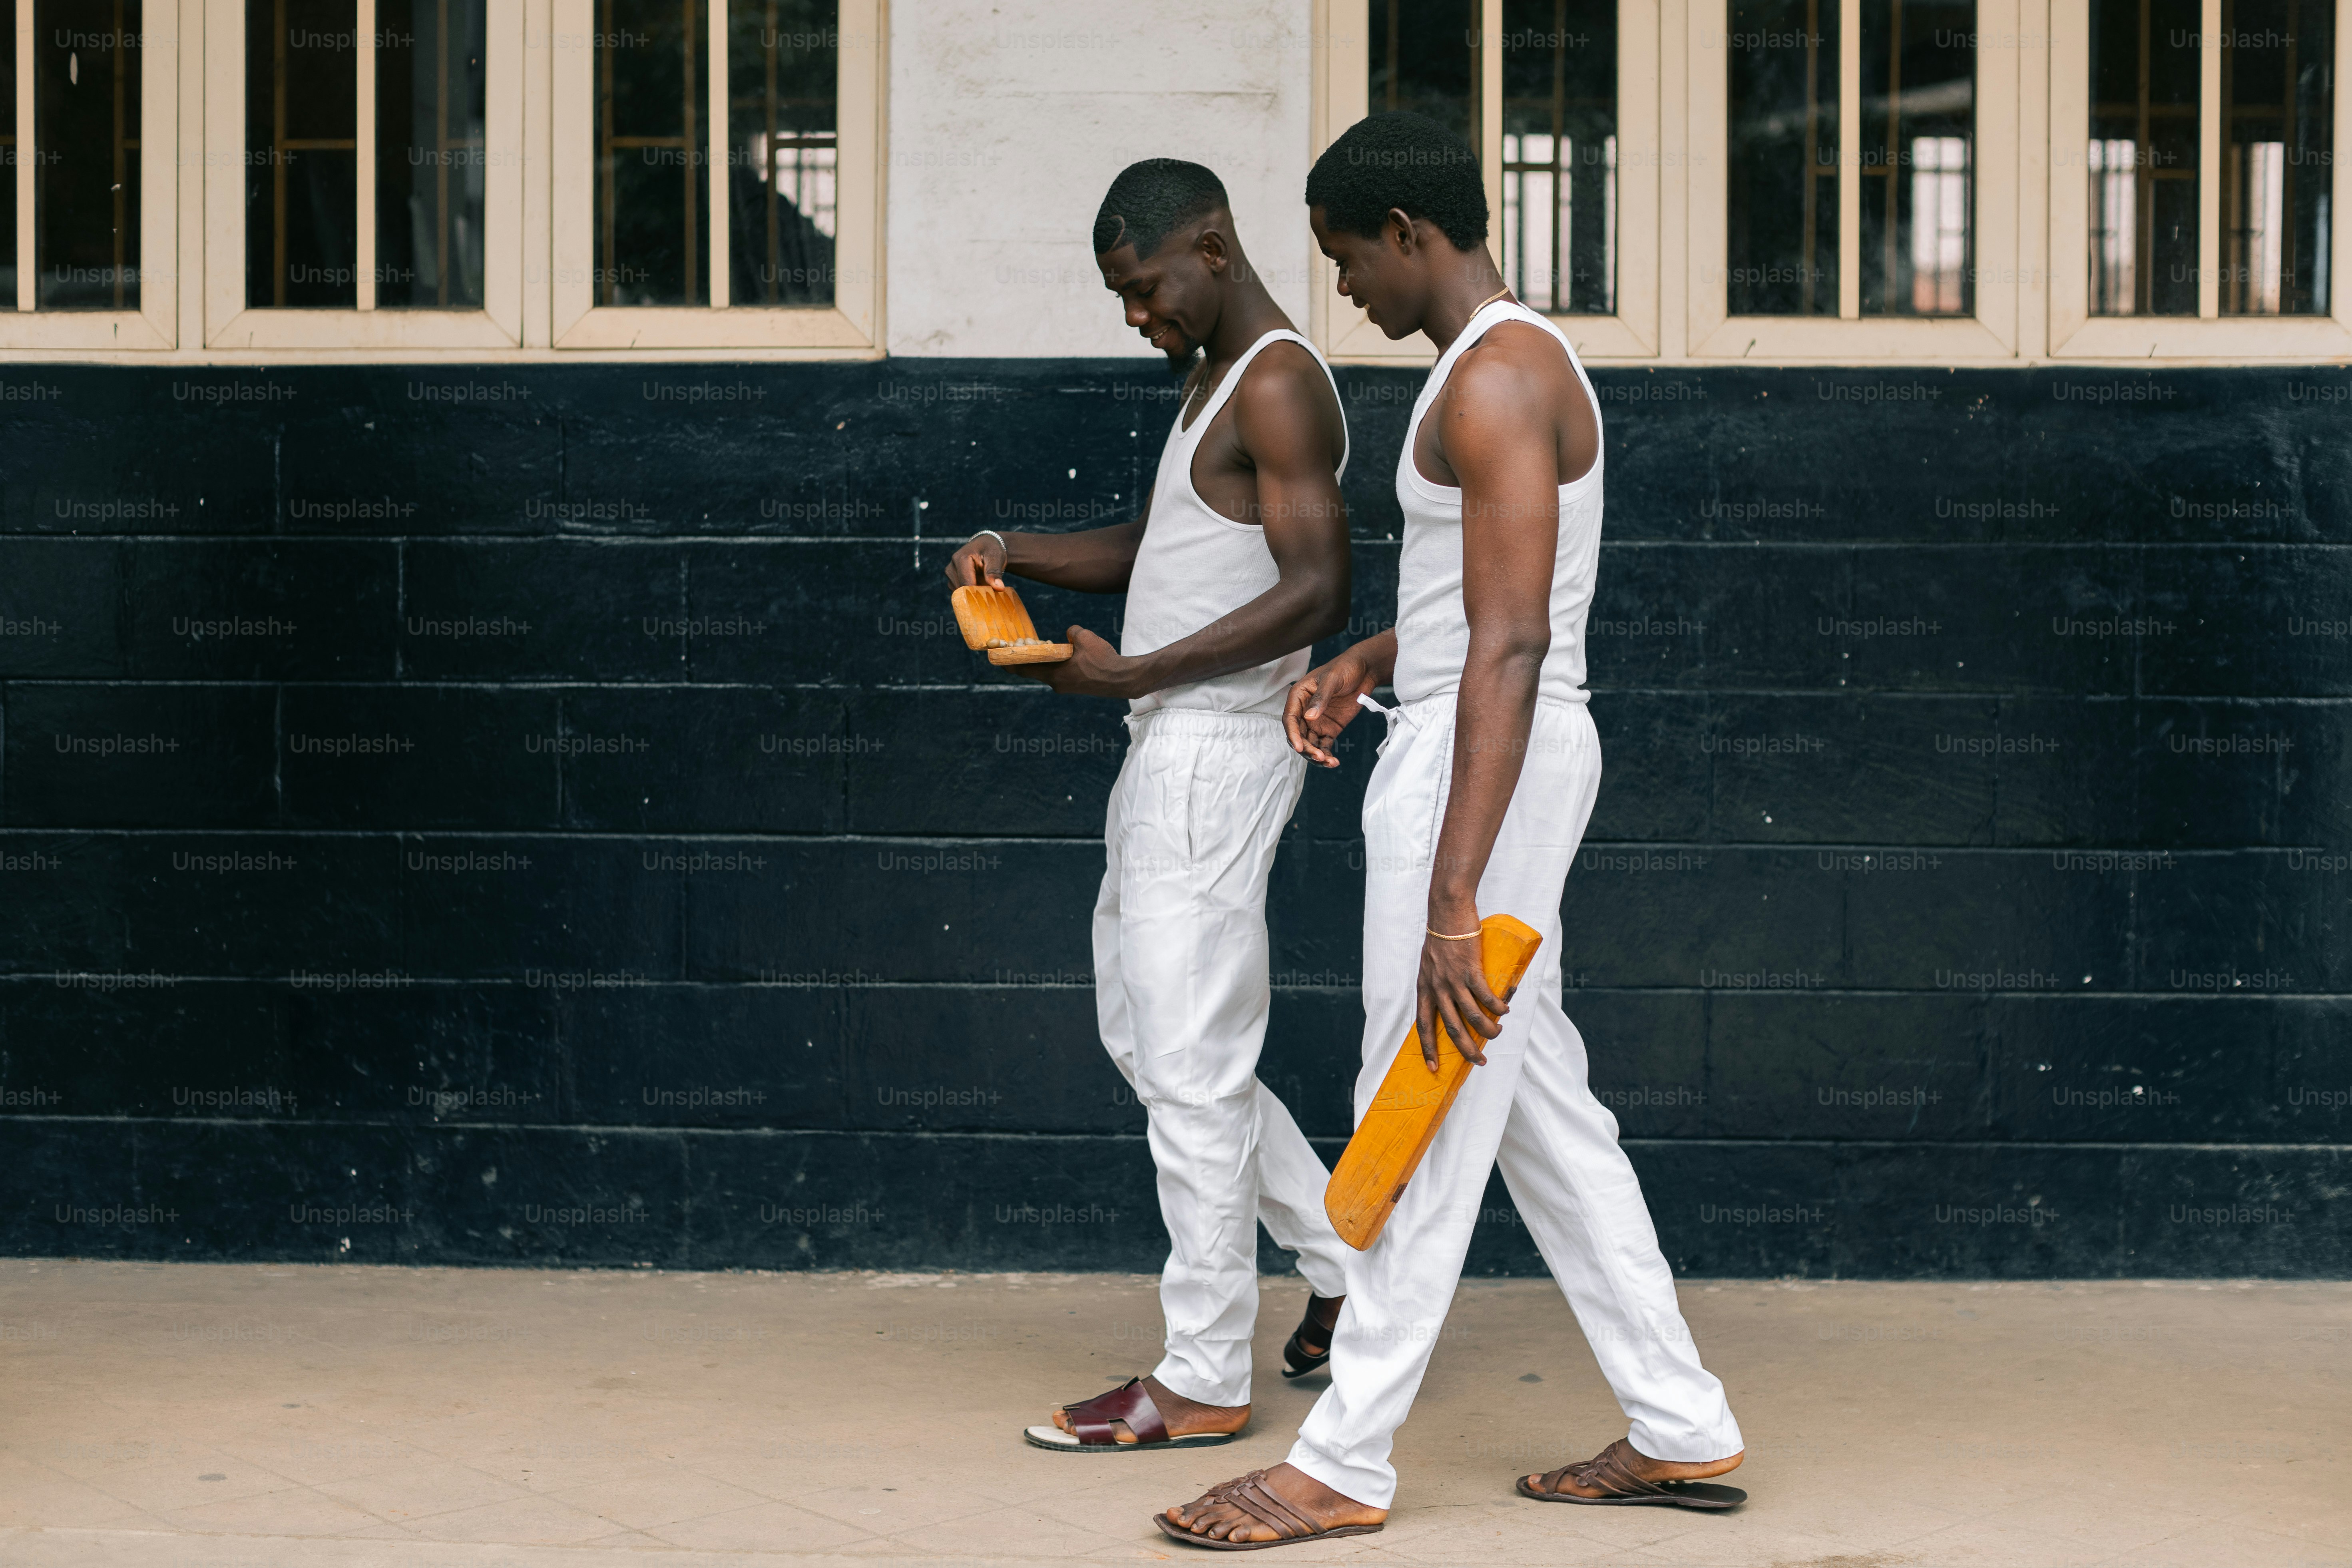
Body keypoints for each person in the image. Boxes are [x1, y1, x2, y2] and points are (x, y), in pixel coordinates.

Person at [1155, 113, 1747, 1549]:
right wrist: (1374, 657)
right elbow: (1473, 611)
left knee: (1416, 1100)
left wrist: (1450, 895)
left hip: (1485, 771)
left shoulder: (1494, 381)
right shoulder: (1497, 369)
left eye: (1353, 257)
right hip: (1470, 737)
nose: (1346, 288)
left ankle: (1346, 1456)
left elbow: (1514, 646)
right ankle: (1681, 1422)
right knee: (1538, 1101)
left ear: (1413, 233)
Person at [943, 159, 1356, 1454]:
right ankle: (1352, 1261)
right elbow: (1163, 544)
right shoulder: (1215, 383)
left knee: (1190, 1064)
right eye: (1123, 296)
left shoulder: (1281, 379)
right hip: (1168, 738)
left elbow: (1318, 592)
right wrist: (1018, 551)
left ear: (1214, 247)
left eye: (1145, 288)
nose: (1137, 315)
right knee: (1154, 1036)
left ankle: (1202, 1376)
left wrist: (1138, 668)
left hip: (1213, 748)